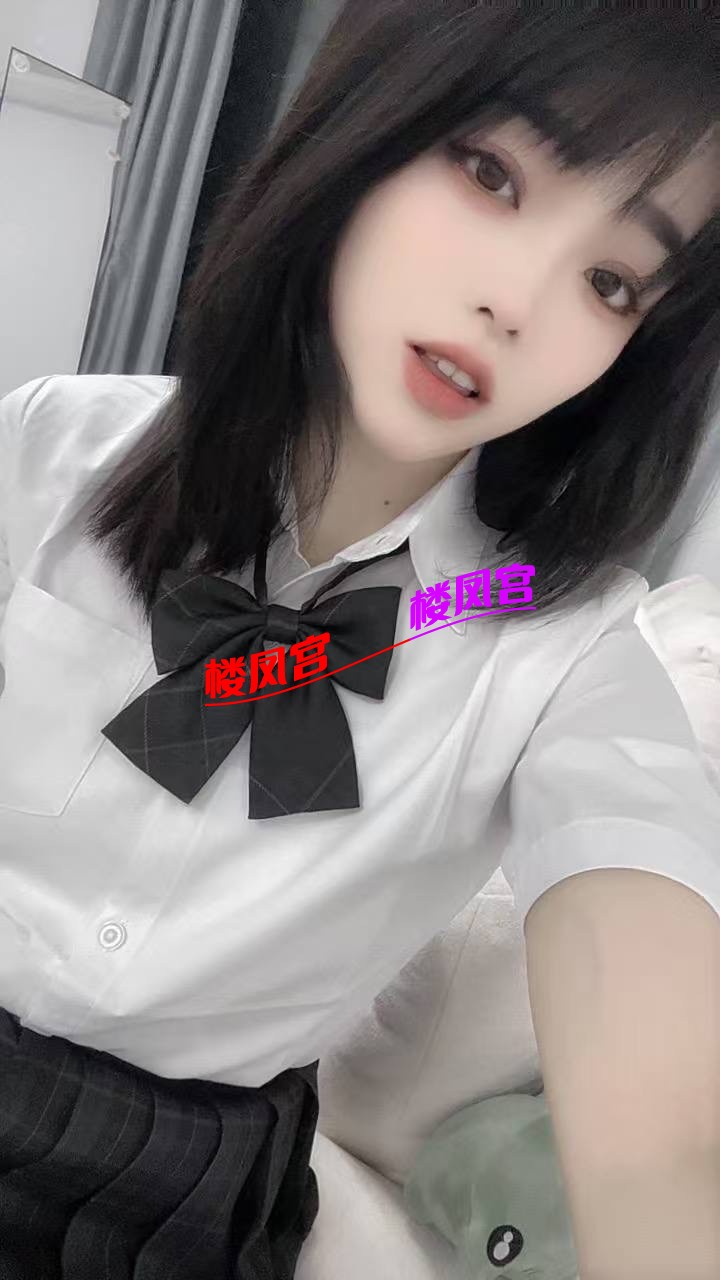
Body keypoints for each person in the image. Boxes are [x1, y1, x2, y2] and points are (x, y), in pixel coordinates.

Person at [1, 4, 719, 1278]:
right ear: (371, 123)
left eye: (611, 280)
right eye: (492, 172)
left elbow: (662, 1144)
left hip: (174, 1204)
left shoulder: (565, 655)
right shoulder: (46, 450)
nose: (516, 302)